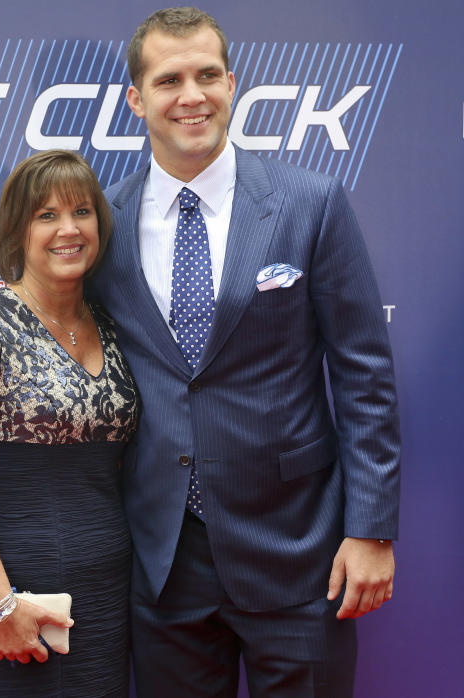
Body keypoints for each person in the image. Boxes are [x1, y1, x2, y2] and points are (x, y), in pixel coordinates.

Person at [88, 7, 401, 698]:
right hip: (163, 562)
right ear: (137, 99)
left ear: (232, 84)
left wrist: (372, 530)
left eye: (207, 75)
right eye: (169, 80)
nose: (191, 95)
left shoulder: (308, 203)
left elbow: (364, 377)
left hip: (299, 552)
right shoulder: (102, 223)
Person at [0, 149, 140, 697]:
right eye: (46, 215)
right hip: (18, 593)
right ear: (17, 231)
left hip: (109, 588)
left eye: (81, 212)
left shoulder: (115, 327)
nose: (68, 229)